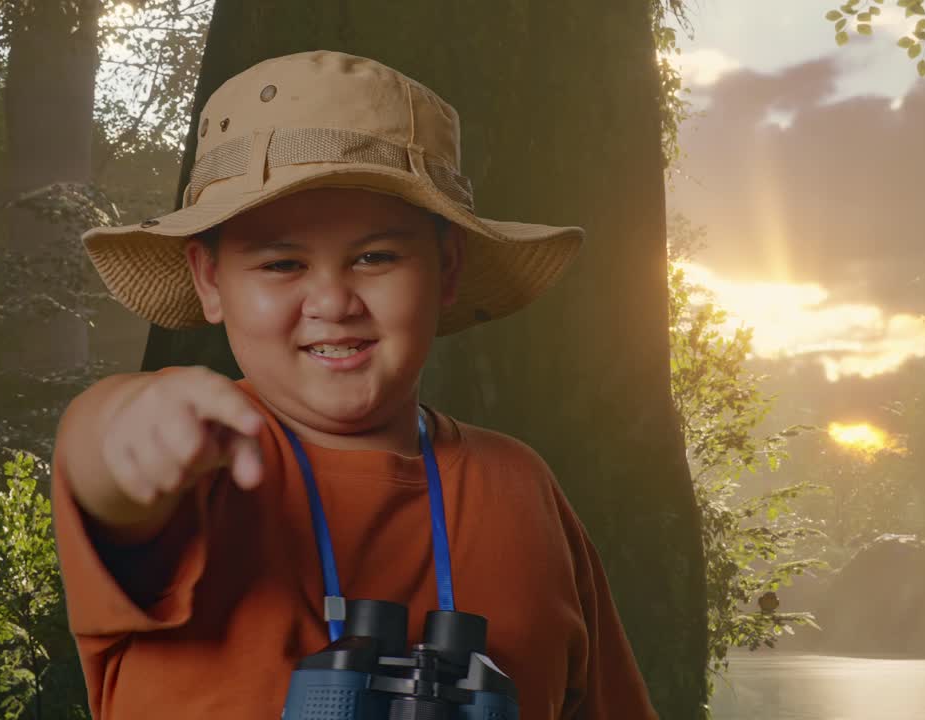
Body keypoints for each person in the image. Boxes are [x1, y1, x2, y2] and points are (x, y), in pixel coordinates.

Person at [50, 50, 659, 720]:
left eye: (376, 257)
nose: (333, 301)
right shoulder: (197, 463)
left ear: (446, 268)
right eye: (281, 263)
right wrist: (124, 427)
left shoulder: (521, 485)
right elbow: (101, 461)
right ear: (208, 279)